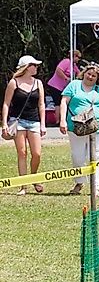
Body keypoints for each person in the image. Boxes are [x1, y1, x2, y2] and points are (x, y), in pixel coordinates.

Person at [59, 64, 99, 195]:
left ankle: (95, 187)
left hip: (97, 127)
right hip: (76, 126)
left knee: (97, 156)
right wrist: (62, 120)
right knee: (78, 156)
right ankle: (79, 182)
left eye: (94, 75)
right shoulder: (74, 85)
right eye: (89, 74)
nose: (90, 77)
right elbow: (64, 101)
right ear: (84, 73)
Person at [2, 56, 47, 195]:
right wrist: (4, 123)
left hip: (34, 121)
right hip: (18, 121)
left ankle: (33, 177)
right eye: (34, 65)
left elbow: (41, 104)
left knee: (37, 154)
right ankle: (23, 186)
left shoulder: (38, 83)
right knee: (22, 153)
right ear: (27, 67)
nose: (36, 67)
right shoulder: (13, 82)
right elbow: (6, 104)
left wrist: (43, 124)